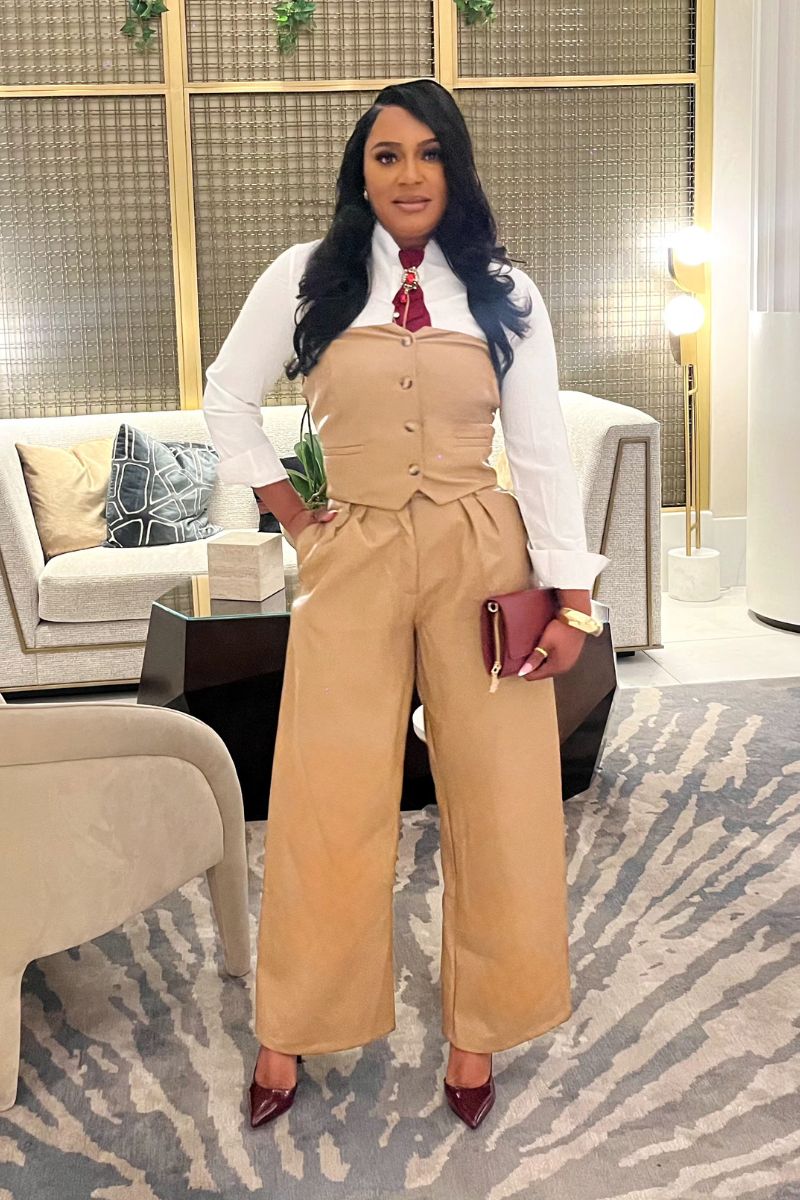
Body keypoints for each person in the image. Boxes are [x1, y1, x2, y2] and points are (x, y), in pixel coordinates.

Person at [203, 78, 610, 1131]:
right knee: (325, 796)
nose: (409, 174)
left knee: (501, 796)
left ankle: (481, 1026)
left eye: (429, 154)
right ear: (362, 173)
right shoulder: (307, 277)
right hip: (354, 554)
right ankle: (292, 1024)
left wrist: (571, 601)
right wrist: (294, 517)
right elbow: (227, 396)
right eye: (387, 155)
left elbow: (539, 449)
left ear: (455, 168)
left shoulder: (504, 292)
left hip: (483, 554)